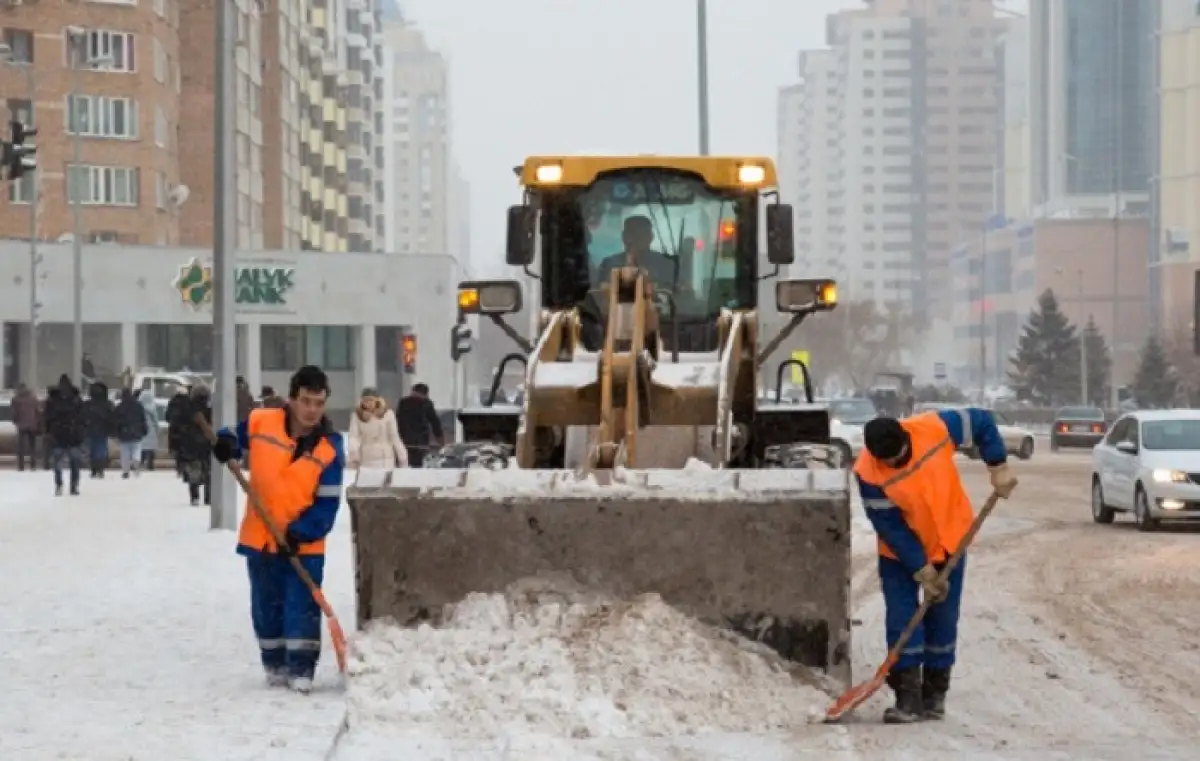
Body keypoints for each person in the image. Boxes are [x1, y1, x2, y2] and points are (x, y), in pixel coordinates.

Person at [855, 408, 1018, 724]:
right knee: (902, 618)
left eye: (897, 457)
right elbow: (890, 526)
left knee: (943, 617)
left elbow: (982, 421)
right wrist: (921, 568)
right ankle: (907, 695)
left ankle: (934, 694)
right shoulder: (868, 473)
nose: (892, 465)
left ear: (906, 438)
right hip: (899, 557)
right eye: (886, 462)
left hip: (949, 541)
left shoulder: (933, 428)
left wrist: (998, 464)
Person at [212, 365, 344, 693]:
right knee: (265, 605)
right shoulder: (262, 421)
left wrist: (301, 532)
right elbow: (232, 435)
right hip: (261, 537)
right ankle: (273, 663)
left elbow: (327, 503)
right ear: (291, 399)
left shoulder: (329, 447)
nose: (312, 410)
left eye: (319, 403)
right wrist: (225, 445)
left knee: (301, 606)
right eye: (306, 401)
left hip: (304, 545)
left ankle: (301, 668)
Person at [593, 215, 677, 287]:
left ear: (651, 237)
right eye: (633, 234)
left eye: (642, 234)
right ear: (624, 236)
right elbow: (598, 293)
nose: (636, 239)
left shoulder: (666, 265)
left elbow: (679, 292)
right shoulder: (608, 265)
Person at [43, 375, 84, 496]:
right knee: (75, 462)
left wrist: (49, 430)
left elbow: (47, 417)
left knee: (58, 463)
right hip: (73, 434)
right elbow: (82, 417)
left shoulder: (52, 400)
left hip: (58, 434)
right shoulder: (76, 399)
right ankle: (73, 485)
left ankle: (59, 485)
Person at [347, 388, 408, 469]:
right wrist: (353, 453)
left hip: (386, 458)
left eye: (371, 400)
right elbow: (354, 436)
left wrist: (402, 456)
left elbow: (394, 436)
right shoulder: (357, 416)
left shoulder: (388, 414)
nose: (369, 403)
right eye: (366, 400)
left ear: (377, 400)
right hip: (367, 459)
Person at [178, 385, 213, 506]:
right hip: (208, 445)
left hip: (191, 445)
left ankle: (194, 496)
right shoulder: (211, 410)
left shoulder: (187, 409)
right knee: (209, 472)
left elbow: (180, 428)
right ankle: (208, 497)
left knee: (194, 472)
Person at [395, 382, 443, 467]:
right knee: (417, 466)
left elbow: (398, 420)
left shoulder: (403, 402)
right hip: (420, 442)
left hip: (404, 440)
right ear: (426, 394)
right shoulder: (426, 403)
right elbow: (435, 422)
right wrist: (440, 439)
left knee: (403, 464)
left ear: (413, 391)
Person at [113, 388, 149, 478]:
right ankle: (136, 461)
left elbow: (115, 421)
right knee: (136, 449)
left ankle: (125, 470)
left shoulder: (120, 407)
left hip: (124, 432)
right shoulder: (138, 406)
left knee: (125, 452)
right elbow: (143, 419)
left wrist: (116, 432)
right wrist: (144, 429)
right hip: (137, 431)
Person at [82, 381, 113, 478]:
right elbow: (112, 417)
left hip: (90, 428)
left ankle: (94, 468)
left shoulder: (87, 404)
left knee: (92, 449)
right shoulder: (108, 404)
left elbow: (82, 416)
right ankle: (100, 468)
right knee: (101, 448)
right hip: (103, 429)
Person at [13, 382, 40, 471]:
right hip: (32, 425)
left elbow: (15, 413)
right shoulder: (33, 398)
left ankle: (21, 465)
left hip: (22, 426)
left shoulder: (16, 399)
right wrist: (36, 422)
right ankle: (33, 464)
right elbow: (37, 411)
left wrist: (15, 421)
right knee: (32, 446)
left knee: (21, 447)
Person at [166, 385, 192, 479]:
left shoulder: (172, 402)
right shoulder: (188, 402)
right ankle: (186, 467)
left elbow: (167, 417)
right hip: (186, 430)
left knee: (177, 450)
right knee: (186, 450)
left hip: (174, 430)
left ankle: (179, 468)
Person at [138, 389, 160, 471]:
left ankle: (141, 463)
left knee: (142, 448)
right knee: (151, 449)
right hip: (151, 430)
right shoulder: (152, 408)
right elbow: (155, 419)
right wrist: (157, 429)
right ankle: (150, 465)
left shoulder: (139, 407)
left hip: (142, 429)